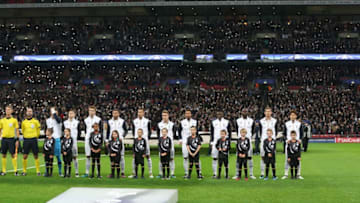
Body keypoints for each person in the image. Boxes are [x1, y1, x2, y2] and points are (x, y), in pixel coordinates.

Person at [178, 109, 203, 179]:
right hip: (185, 141)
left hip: (194, 141)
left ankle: (199, 173)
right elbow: (179, 131)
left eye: (189, 113)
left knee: (197, 158)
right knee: (185, 157)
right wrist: (180, 139)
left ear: (191, 114)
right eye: (186, 113)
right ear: (185, 114)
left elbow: (197, 131)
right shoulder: (182, 122)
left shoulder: (195, 122)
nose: (187, 115)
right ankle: (186, 173)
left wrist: (199, 139)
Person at [130, 108, 153, 178]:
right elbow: (133, 131)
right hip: (137, 141)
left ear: (143, 113)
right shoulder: (134, 121)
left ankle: (150, 173)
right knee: (134, 157)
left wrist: (146, 138)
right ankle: (134, 173)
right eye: (138, 112)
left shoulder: (147, 121)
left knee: (148, 156)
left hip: (145, 141)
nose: (139, 113)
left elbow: (149, 131)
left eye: (141, 112)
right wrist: (136, 138)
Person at [104, 109, 127, 178]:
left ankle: (122, 172)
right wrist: (106, 140)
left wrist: (122, 137)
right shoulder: (109, 121)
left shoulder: (122, 121)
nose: (115, 114)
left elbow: (125, 130)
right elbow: (107, 132)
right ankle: (112, 172)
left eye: (116, 113)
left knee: (121, 157)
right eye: (114, 113)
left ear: (119, 114)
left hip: (119, 141)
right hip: (111, 142)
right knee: (112, 157)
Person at [234, 109, 256, 179]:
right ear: (241, 112)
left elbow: (253, 130)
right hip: (240, 141)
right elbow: (236, 130)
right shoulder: (237, 121)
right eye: (243, 111)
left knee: (249, 157)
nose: (244, 113)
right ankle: (237, 174)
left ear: (248, 113)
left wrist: (248, 136)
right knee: (238, 158)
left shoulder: (251, 121)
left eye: (246, 111)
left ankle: (251, 174)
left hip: (248, 141)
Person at [282, 111, 304, 180]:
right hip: (289, 143)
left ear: (296, 116)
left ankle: (298, 174)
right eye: (291, 115)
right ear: (289, 116)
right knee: (287, 159)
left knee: (298, 159)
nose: (292, 116)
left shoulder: (299, 124)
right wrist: (286, 140)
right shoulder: (287, 124)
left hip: (297, 143)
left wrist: (300, 140)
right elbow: (284, 133)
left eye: (294, 115)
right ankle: (286, 174)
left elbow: (302, 133)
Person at [210, 111, 231, 179]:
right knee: (215, 158)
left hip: (225, 142)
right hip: (216, 141)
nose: (219, 115)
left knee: (225, 159)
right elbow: (212, 132)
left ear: (223, 114)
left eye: (220, 114)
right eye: (218, 114)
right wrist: (211, 141)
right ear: (216, 114)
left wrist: (229, 142)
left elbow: (229, 132)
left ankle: (226, 174)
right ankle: (215, 173)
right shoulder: (213, 122)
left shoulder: (227, 122)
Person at [0, 105, 20, 176]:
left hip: (11, 139)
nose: (7, 111)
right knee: (3, 154)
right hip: (4, 139)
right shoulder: (2, 120)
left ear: (11, 111)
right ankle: (4, 171)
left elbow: (17, 130)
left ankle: (15, 170)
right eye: (6, 110)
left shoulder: (14, 120)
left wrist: (17, 139)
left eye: (9, 110)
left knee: (13, 154)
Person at [21, 107, 41, 176]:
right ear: (26, 113)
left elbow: (38, 130)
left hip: (33, 139)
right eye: (28, 111)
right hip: (26, 140)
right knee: (25, 156)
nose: (29, 112)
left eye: (30, 111)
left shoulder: (35, 121)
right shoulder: (24, 122)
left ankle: (38, 171)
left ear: (32, 113)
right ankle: (24, 171)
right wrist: (26, 136)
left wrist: (36, 136)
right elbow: (23, 131)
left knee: (36, 155)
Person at [156, 110, 176, 179]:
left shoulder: (172, 124)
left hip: (170, 145)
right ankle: (160, 173)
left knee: (171, 159)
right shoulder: (159, 124)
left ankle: (172, 173)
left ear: (168, 116)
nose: (164, 117)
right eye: (163, 115)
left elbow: (174, 134)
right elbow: (158, 135)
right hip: (162, 145)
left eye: (165, 115)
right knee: (161, 159)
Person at [83, 106, 102, 178]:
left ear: (95, 111)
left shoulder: (98, 119)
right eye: (90, 111)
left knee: (96, 157)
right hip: (88, 139)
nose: (91, 112)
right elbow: (85, 130)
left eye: (93, 111)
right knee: (88, 156)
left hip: (96, 139)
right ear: (88, 111)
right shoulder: (86, 120)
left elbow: (101, 130)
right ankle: (87, 172)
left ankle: (98, 173)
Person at [259, 107, 277, 179]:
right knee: (263, 157)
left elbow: (277, 130)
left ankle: (273, 174)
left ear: (271, 112)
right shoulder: (261, 121)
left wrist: (273, 139)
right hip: (264, 141)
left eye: (269, 111)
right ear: (264, 113)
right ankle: (262, 173)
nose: (268, 113)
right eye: (266, 111)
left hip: (272, 142)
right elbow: (260, 131)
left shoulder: (275, 121)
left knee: (272, 158)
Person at [46, 107, 63, 176]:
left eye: (55, 111)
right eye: (52, 111)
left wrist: (54, 113)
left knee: (58, 156)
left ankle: (60, 171)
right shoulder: (48, 120)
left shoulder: (58, 119)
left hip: (56, 139)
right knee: (48, 156)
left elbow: (58, 120)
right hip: (49, 139)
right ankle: (48, 171)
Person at [63, 109, 80, 177]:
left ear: (74, 114)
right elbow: (63, 132)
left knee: (75, 157)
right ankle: (66, 171)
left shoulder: (77, 122)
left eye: (72, 113)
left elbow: (78, 132)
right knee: (66, 157)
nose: (71, 115)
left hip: (74, 142)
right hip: (66, 142)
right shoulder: (65, 122)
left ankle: (76, 171)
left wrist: (75, 139)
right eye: (70, 113)